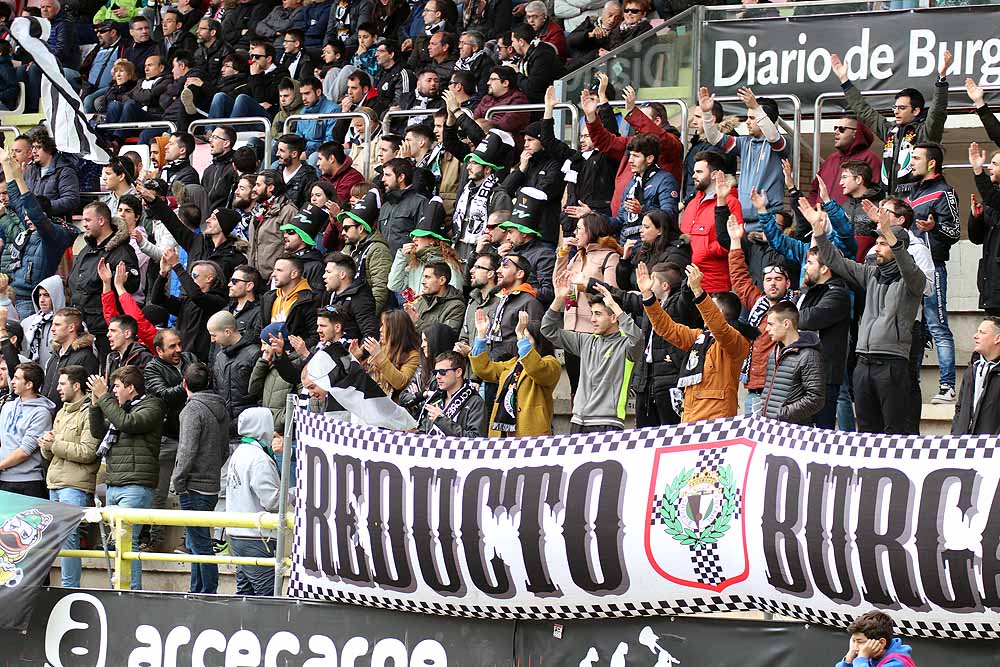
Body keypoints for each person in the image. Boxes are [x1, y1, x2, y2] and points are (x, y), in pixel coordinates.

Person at [812, 201, 925, 435]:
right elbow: (835, 261)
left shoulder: (913, 279)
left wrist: (890, 235)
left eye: (882, 244)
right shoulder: (871, 273)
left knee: (894, 432)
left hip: (892, 364)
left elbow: (908, 268)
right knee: (866, 432)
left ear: (897, 247)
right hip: (863, 363)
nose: (876, 249)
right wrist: (819, 233)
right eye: (877, 243)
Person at [638, 262, 751, 423]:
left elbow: (719, 328)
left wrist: (698, 291)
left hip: (717, 422)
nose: (702, 310)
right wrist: (648, 296)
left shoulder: (736, 341)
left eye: (710, 306)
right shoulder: (699, 337)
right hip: (690, 419)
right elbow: (667, 329)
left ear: (719, 312)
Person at [831, 50, 950, 196]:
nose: (896, 111)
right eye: (895, 107)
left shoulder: (924, 133)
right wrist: (845, 81)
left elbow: (937, 111)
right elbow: (865, 111)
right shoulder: (890, 131)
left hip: (915, 200)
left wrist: (941, 80)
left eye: (902, 108)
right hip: (889, 202)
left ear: (916, 111)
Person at [89, 366, 164, 590]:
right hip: (114, 483)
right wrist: (95, 405)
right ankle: (120, 590)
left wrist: (104, 397)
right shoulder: (119, 409)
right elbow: (97, 432)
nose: (113, 391)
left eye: (117, 387)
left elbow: (127, 423)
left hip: (137, 485)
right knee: (117, 543)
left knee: (128, 542)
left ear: (131, 388)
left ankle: (131, 594)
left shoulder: (153, 405)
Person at [543, 273, 641, 432]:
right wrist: (559, 299)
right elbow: (548, 330)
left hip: (608, 421)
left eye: (598, 314)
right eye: (592, 314)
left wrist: (614, 305)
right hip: (578, 420)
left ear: (614, 317)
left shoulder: (626, 344)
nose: (592, 320)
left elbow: (637, 338)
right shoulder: (586, 340)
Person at [904, 143, 960, 404]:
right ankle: (910, 386)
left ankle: (947, 387)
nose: (911, 161)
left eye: (916, 157)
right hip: (909, 271)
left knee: (937, 327)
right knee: (915, 330)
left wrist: (935, 227)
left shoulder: (945, 192)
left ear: (932, 163)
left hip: (933, 268)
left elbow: (955, 232)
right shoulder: (910, 190)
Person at [39, 365, 101, 588]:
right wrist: (45, 444)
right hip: (55, 483)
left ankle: (69, 588)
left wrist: (54, 444)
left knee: (69, 538)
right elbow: (50, 453)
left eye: (62, 384)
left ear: (76, 386)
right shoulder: (62, 411)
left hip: (75, 485)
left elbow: (88, 452)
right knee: (60, 540)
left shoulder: (89, 412)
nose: (57, 389)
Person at [727, 213, 794, 416]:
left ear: (788, 283)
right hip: (754, 388)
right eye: (768, 279)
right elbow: (739, 278)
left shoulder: (796, 306)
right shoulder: (758, 302)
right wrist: (736, 242)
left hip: (783, 391)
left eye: (778, 279)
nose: (773, 283)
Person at [0, 148, 79, 319]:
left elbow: (33, 212)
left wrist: (20, 178)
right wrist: (7, 164)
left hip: (30, 301)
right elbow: (16, 199)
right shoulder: (29, 229)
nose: (26, 219)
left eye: (31, 216)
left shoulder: (52, 235)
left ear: (44, 216)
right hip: (12, 295)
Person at [173, 361, 228, 595]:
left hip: (192, 486)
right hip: (211, 484)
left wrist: (178, 480)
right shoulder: (221, 408)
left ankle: (206, 592)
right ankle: (197, 590)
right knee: (197, 543)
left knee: (200, 544)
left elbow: (186, 450)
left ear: (184, 384)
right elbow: (225, 449)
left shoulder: (192, 410)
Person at [699, 86, 789, 227]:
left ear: (765, 119)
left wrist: (756, 107)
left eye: (752, 118)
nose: (747, 122)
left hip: (769, 222)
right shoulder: (744, 142)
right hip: (743, 222)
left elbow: (773, 137)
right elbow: (714, 138)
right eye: (747, 117)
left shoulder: (780, 144)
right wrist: (706, 114)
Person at [142, 327, 198, 552]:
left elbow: (204, 381)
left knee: (191, 491)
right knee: (158, 493)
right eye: (172, 346)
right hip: (167, 436)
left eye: (179, 344)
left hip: (191, 436)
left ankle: (189, 542)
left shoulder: (190, 358)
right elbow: (163, 395)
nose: (178, 350)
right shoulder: (152, 368)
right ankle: (153, 540)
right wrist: (188, 386)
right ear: (158, 350)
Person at [69, 203, 141, 362]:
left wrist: (111, 277)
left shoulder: (122, 251)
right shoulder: (86, 249)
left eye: (88, 220)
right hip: (82, 327)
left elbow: (132, 284)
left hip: (104, 331)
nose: (84, 224)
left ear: (101, 221)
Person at [470, 310, 559, 436]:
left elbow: (536, 368)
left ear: (540, 341)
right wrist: (481, 335)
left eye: (526, 338)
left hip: (532, 435)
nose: (520, 341)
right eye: (520, 338)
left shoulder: (550, 363)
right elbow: (483, 369)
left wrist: (520, 334)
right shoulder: (512, 364)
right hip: (503, 435)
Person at [227, 407, 281, 596]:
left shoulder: (239, 453)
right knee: (267, 596)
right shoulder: (259, 459)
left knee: (245, 594)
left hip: (237, 534)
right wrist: (293, 493)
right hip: (256, 537)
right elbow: (273, 502)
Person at [150, 249, 229, 362]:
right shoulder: (187, 301)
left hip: (202, 361)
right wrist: (163, 274)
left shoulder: (218, 300)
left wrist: (177, 265)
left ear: (209, 278)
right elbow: (157, 299)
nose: (190, 280)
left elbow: (197, 296)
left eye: (195, 276)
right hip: (183, 358)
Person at [759, 302, 825, 425]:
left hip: (792, 432)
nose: (767, 329)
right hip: (769, 426)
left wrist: (782, 415)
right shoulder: (774, 351)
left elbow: (816, 398)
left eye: (771, 324)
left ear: (786, 324)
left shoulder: (809, 354)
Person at [606, 133, 678, 245]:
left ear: (649, 159)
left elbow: (669, 216)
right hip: (626, 244)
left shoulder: (665, 180)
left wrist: (642, 211)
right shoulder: (632, 183)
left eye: (636, 156)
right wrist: (593, 217)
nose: (630, 160)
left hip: (650, 246)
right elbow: (620, 220)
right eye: (630, 155)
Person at [0, 362, 54, 498]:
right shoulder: (7, 407)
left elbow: (25, 451)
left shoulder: (41, 413)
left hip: (28, 482)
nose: (12, 381)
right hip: (3, 479)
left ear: (29, 384)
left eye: (17, 378)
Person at [339, 188, 393, 314]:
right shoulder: (348, 249)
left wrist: (365, 317)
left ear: (361, 228)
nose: (342, 233)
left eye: (347, 228)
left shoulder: (378, 250)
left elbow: (380, 291)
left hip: (364, 318)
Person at [208, 311, 261, 435]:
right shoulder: (220, 356)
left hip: (249, 427)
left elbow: (261, 394)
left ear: (227, 332)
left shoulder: (254, 354)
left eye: (214, 335)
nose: (212, 340)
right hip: (225, 425)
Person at [486, 253, 545, 362]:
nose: (498, 270)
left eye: (505, 266)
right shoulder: (497, 300)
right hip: (492, 366)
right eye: (499, 266)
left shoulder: (530, 302)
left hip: (513, 370)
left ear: (520, 274)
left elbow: (537, 347)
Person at [810, 116, 881, 207]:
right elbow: (815, 189)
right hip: (822, 218)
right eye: (835, 128)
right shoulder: (830, 159)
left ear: (855, 133)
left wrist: (855, 213)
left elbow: (875, 193)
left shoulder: (870, 158)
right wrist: (814, 208)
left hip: (849, 219)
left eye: (841, 129)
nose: (836, 132)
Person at [952, 316, 1000, 436]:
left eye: (982, 332)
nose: (975, 336)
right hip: (963, 444)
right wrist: (955, 434)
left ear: (997, 338)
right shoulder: (971, 369)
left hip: (992, 447)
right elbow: (960, 407)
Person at [417, 351, 484, 436]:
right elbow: (424, 433)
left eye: (442, 372)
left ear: (458, 372)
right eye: (435, 372)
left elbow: (475, 441)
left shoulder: (475, 402)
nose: (437, 376)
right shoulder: (435, 400)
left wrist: (442, 420)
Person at [43, 308, 99, 408]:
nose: (52, 329)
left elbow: (86, 394)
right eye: (52, 324)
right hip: (49, 415)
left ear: (71, 327)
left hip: (70, 418)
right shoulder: (54, 356)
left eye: (57, 325)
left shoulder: (85, 357)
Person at [249, 170, 300, 282]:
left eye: (258, 185)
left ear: (270, 187)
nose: (254, 189)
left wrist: (279, 273)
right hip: (255, 279)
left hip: (275, 279)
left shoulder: (288, 211)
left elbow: (292, 246)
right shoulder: (258, 211)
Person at [360, 309, 421, 402]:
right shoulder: (381, 347)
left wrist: (379, 357)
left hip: (394, 408)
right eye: (381, 325)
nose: (380, 329)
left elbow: (401, 383)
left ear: (396, 329)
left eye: (384, 326)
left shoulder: (413, 355)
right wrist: (356, 358)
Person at [970, 142, 1000, 317]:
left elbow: (992, 197)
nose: (989, 167)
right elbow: (976, 238)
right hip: (991, 287)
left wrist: (977, 171)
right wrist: (977, 218)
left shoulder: (993, 198)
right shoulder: (991, 200)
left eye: (995, 164)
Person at [322, 252, 379, 341]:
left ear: (342, 275)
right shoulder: (330, 295)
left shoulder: (360, 298)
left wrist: (358, 353)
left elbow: (370, 333)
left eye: (328, 272)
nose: (324, 276)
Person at [24, 131, 81, 219]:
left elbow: (71, 200)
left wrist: (44, 207)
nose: (34, 151)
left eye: (38, 147)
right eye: (33, 147)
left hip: (56, 222)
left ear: (49, 149)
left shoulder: (65, 171)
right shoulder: (30, 170)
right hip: (32, 221)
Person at [379, 157, 429, 255]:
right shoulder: (385, 205)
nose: (382, 179)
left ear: (401, 177)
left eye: (387, 175)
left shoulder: (420, 202)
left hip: (407, 264)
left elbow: (424, 240)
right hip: (384, 264)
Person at [510, 23, 564, 104]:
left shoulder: (543, 56)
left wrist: (517, 73)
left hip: (544, 105)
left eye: (513, 41)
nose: (512, 45)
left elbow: (532, 87)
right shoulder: (526, 56)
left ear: (521, 42)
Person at [836, 611, 913, 667]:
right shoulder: (870, 656)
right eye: (853, 641)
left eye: (860, 641)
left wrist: (862, 658)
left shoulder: (898, 663)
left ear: (881, 643)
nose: (855, 647)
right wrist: (848, 661)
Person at [279, 205, 328, 292]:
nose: (285, 235)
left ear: (303, 238)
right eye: (285, 232)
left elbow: (315, 298)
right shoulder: (283, 261)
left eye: (291, 232)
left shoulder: (316, 267)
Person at [20, 275, 64, 370]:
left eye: (46, 295)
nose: (42, 300)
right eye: (39, 295)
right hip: (31, 378)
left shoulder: (69, 322)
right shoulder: (27, 323)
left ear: (56, 296)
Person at [472, 66, 529, 134]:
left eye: (493, 79)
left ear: (505, 83)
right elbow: (474, 119)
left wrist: (485, 124)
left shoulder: (519, 100)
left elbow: (505, 125)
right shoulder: (486, 98)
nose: (488, 83)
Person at [104, 315, 154, 380]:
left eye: (113, 331)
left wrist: (104, 390)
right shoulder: (111, 358)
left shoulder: (144, 358)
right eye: (108, 331)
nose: (108, 335)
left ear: (127, 334)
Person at [202, 126, 238, 214]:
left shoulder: (235, 168)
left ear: (226, 143)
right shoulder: (208, 170)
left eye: (215, 137)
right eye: (211, 137)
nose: (210, 140)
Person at [229, 265, 263, 342]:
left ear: (249, 286)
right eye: (230, 280)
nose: (229, 284)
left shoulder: (259, 313)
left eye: (234, 281)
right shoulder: (227, 310)